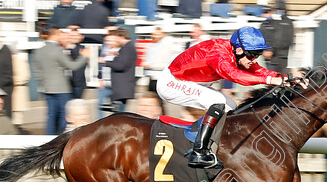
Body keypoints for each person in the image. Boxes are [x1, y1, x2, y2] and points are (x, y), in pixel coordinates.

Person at [156, 26, 300, 168]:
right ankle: (199, 152)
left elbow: (259, 71)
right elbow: (235, 76)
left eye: (258, 54)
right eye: (252, 55)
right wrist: (270, 81)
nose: (254, 59)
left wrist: (284, 78)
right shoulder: (218, 55)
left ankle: (215, 147)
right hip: (171, 83)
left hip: (189, 80)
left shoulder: (238, 53)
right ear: (239, 50)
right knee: (217, 102)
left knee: (231, 106)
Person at [32, 27, 89, 135]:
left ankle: (48, 140)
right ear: (56, 35)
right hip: (62, 89)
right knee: (64, 118)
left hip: (47, 89)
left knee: (51, 116)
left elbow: (37, 72)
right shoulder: (58, 50)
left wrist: (44, 84)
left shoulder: (39, 51)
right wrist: (84, 56)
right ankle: (60, 139)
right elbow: (73, 66)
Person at [104, 29, 137, 112]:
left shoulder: (127, 48)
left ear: (121, 37)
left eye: (116, 38)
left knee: (118, 115)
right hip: (122, 89)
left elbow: (120, 66)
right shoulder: (127, 48)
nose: (116, 41)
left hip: (122, 88)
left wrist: (106, 62)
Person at [259, 9, 294, 74]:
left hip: (276, 56)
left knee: (275, 75)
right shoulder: (267, 23)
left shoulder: (274, 23)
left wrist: (269, 49)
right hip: (275, 56)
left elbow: (277, 37)